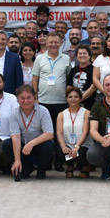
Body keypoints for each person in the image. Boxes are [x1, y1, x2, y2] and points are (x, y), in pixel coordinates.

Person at [32, 32, 71, 170]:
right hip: (43, 102)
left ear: (60, 43)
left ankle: (59, 161)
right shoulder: (39, 58)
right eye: (51, 42)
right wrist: (35, 98)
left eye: (56, 42)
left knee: (60, 133)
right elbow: (35, 79)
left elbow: (68, 78)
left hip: (61, 102)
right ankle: (46, 162)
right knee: (45, 133)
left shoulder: (66, 58)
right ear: (46, 43)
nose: (53, 44)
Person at [4, 85, 55, 181]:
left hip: (38, 144)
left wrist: (31, 143)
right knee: (7, 144)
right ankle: (26, 167)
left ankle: (41, 170)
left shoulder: (43, 111)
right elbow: (16, 137)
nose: (26, 101)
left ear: (34, 98)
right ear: (18, 99)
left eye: (29, 98)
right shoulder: (13, 113)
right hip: (22, 144)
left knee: (48, 146)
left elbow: (49, 134)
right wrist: (17, 160)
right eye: (22, 98)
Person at [57, 86, 94, 178]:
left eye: (76, 97)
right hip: (68, 145)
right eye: (70, 97)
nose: (73, 99)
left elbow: (85, 131)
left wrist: (77, 146)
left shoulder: (86, 113)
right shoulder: (61, 114)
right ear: (66, 98)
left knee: (81, 154)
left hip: (83, 145)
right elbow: (59, 133)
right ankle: (70, 165)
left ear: (80, 98)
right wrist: (63, 147)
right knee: (59, 151)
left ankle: (85, 166)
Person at [68, 45, 97, 110]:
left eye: (84, 53)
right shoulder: (73, 70)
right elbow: (69, 86)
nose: (82, 55)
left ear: (89, 55)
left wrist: (78, 99)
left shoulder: (94, 69)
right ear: (76, 56)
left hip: (89, 105)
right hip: (73, 105)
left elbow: (93, 87)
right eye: (80, 53)